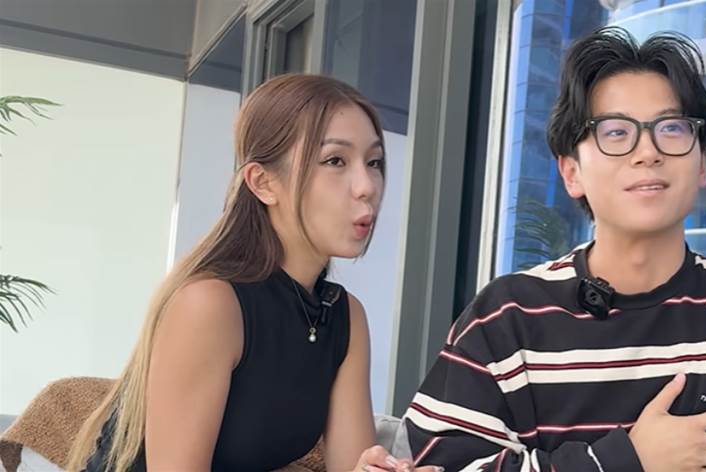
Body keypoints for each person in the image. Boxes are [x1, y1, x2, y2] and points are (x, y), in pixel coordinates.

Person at [404, 27, 706, 472]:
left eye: (672, 128)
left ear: (702, 163)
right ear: (571, 172)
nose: (648, 152)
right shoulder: (505, 319)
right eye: (616, 132)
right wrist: (624, 460)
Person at [67, 74, 439, 472]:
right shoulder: (210, 305)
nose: (367, 186)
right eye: (335, 161)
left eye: (374, 162)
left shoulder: (345, 317)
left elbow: (352, 466)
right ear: (263, 183)